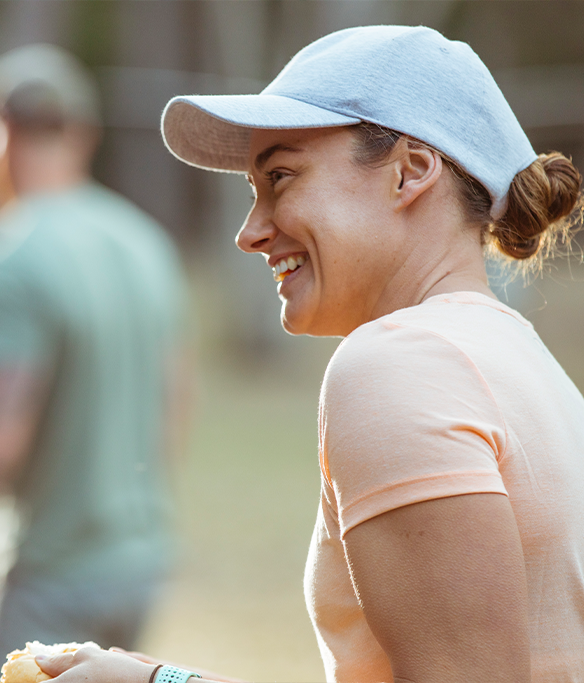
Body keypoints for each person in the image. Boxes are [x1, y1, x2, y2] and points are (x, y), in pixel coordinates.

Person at [34, 25, 583, 683]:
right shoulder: (517, 355)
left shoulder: (398, 366)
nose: (250, 231)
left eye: (282, 177)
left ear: (409, 172)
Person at [0, 44, 189, 655]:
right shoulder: (146, 243)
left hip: (54, 575)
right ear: (83, 134)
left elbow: (8, 439)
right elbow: (174, 405)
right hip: (139, 562)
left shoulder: (18, 253)